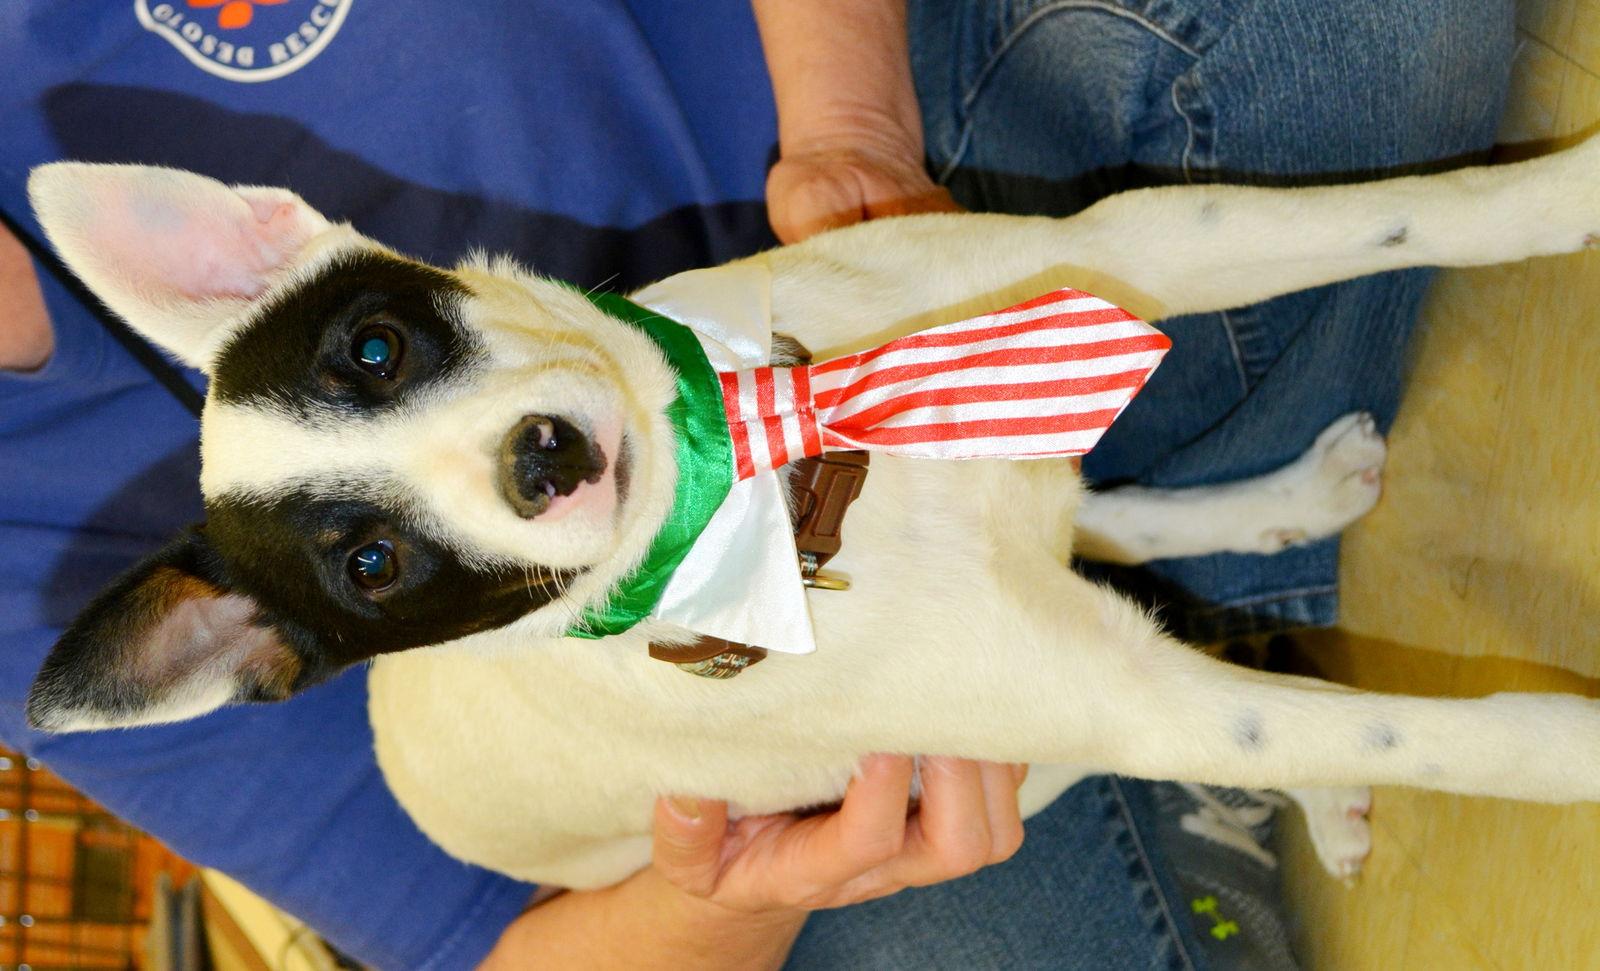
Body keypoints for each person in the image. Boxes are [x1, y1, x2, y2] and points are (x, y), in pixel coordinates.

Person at [0, 1, 1513, 967]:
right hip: (770, 716)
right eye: (373, 565)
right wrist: (754, 878)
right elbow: (491, 941)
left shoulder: (159, 212)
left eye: (388, 357)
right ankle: (1205, 619)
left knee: (1351, 28)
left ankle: (1225, 564)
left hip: (902, 174)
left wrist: (854, 129)